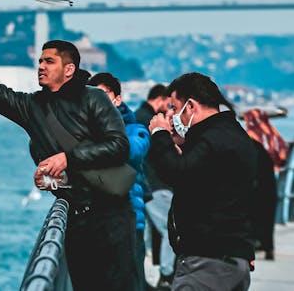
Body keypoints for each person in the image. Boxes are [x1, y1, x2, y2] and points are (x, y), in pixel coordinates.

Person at [0, 21, 137, 291]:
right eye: (40, 61)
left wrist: (67, 158)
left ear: (69, 69)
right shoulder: (32, 106)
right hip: (76, 218)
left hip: (112, 215)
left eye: (49, 61)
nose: (40, 66)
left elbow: (118, 146)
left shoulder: (93, 98)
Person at [148, 72, 257, 291]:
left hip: (207, 259)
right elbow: (205, 179)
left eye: (174, 107)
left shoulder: (211, 140)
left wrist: (159, 133)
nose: (172, 114)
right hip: (234, 256)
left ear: (190, 106)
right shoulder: (234, 135)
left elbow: (175, 172)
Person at [88, 72, 150, 291]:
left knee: (132, 282)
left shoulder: (136, 130)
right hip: (96, 222)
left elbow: (130, 151)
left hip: (131, 220)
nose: (99, 103)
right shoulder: (86, 132)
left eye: (104, 96)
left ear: (117, 99)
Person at [136, 84, 176, 290]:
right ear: (160, 99)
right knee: (172, 229)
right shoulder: (147, 120)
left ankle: (163, 273)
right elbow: (156, 155)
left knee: (153, 232)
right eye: (168, 103)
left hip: (147, 185)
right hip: (155, 186)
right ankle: (167, 275)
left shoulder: (138, 117)